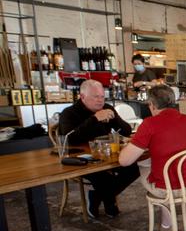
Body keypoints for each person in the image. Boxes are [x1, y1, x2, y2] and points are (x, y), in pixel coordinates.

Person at [119, 85, 186, 231]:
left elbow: (124, 161)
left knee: (144, 165)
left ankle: (168, 223)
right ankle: (166, 224)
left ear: (152, 105)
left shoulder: (149, 124)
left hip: (168, 189)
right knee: (163, 167)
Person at [58, 79, 140, 218]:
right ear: (82, 97)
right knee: (101, 175)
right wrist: (94, 119)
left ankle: (96, 197)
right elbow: (69, 139)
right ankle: (109, 203)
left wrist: (115, 119)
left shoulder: (106, 108)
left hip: (107, 154)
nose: (100, 100)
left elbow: (125, 131)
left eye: (102, 96)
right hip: (81, 158)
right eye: (96, 97)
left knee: (134, 167)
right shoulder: (69, 113)